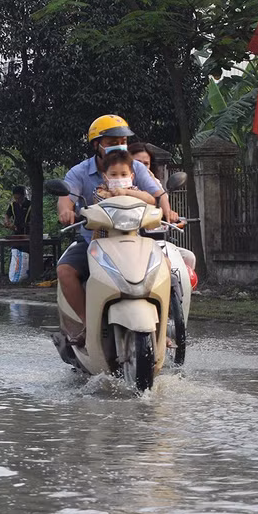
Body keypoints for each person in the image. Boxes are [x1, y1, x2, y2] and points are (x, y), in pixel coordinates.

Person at [56, 114, 179, 345]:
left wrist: (168, 212)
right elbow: (66, 197)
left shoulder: (135, 168)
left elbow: (158, 195)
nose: (119, 146)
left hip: (136, 239)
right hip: (94, 241)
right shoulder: (80, 172)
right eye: (112, 142)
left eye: (122, 141)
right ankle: (87, 325)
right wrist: (66, 211)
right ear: (96, 145)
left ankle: (162, 328)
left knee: (167, 269)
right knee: (65, 271)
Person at [91, 150, 156, 239]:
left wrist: (126, 192)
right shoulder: (100, 191)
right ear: (105, 177)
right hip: (104, 241)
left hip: (132, 240)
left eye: (124, 174)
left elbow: (151, 200)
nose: (119, 178)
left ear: (131, 177)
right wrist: (117, 194)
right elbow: (104, 200)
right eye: (113, 174)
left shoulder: (133, 190)